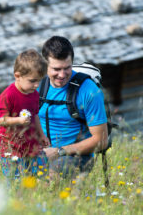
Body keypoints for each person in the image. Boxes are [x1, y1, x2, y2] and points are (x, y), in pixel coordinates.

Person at [39, 36, 108, 178]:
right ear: (45, 65)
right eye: (56, 69)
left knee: (49, 178)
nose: (62, 75)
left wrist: (59, 151)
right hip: (40, 151)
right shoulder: (36, 85)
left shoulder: (89, 91)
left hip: (75, 155)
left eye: (67, 68)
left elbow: (101, 140)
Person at [0, 49, 50, 178]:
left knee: (41, 176)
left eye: (39, 81)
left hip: (31, 145)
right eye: (32, 81)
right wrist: (18, 121)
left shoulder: (34, 94)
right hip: (10, 149)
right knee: (15, 182)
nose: (36, 85)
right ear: (17, 76)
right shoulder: (8, 95)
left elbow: (35, 115)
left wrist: (42, 135)